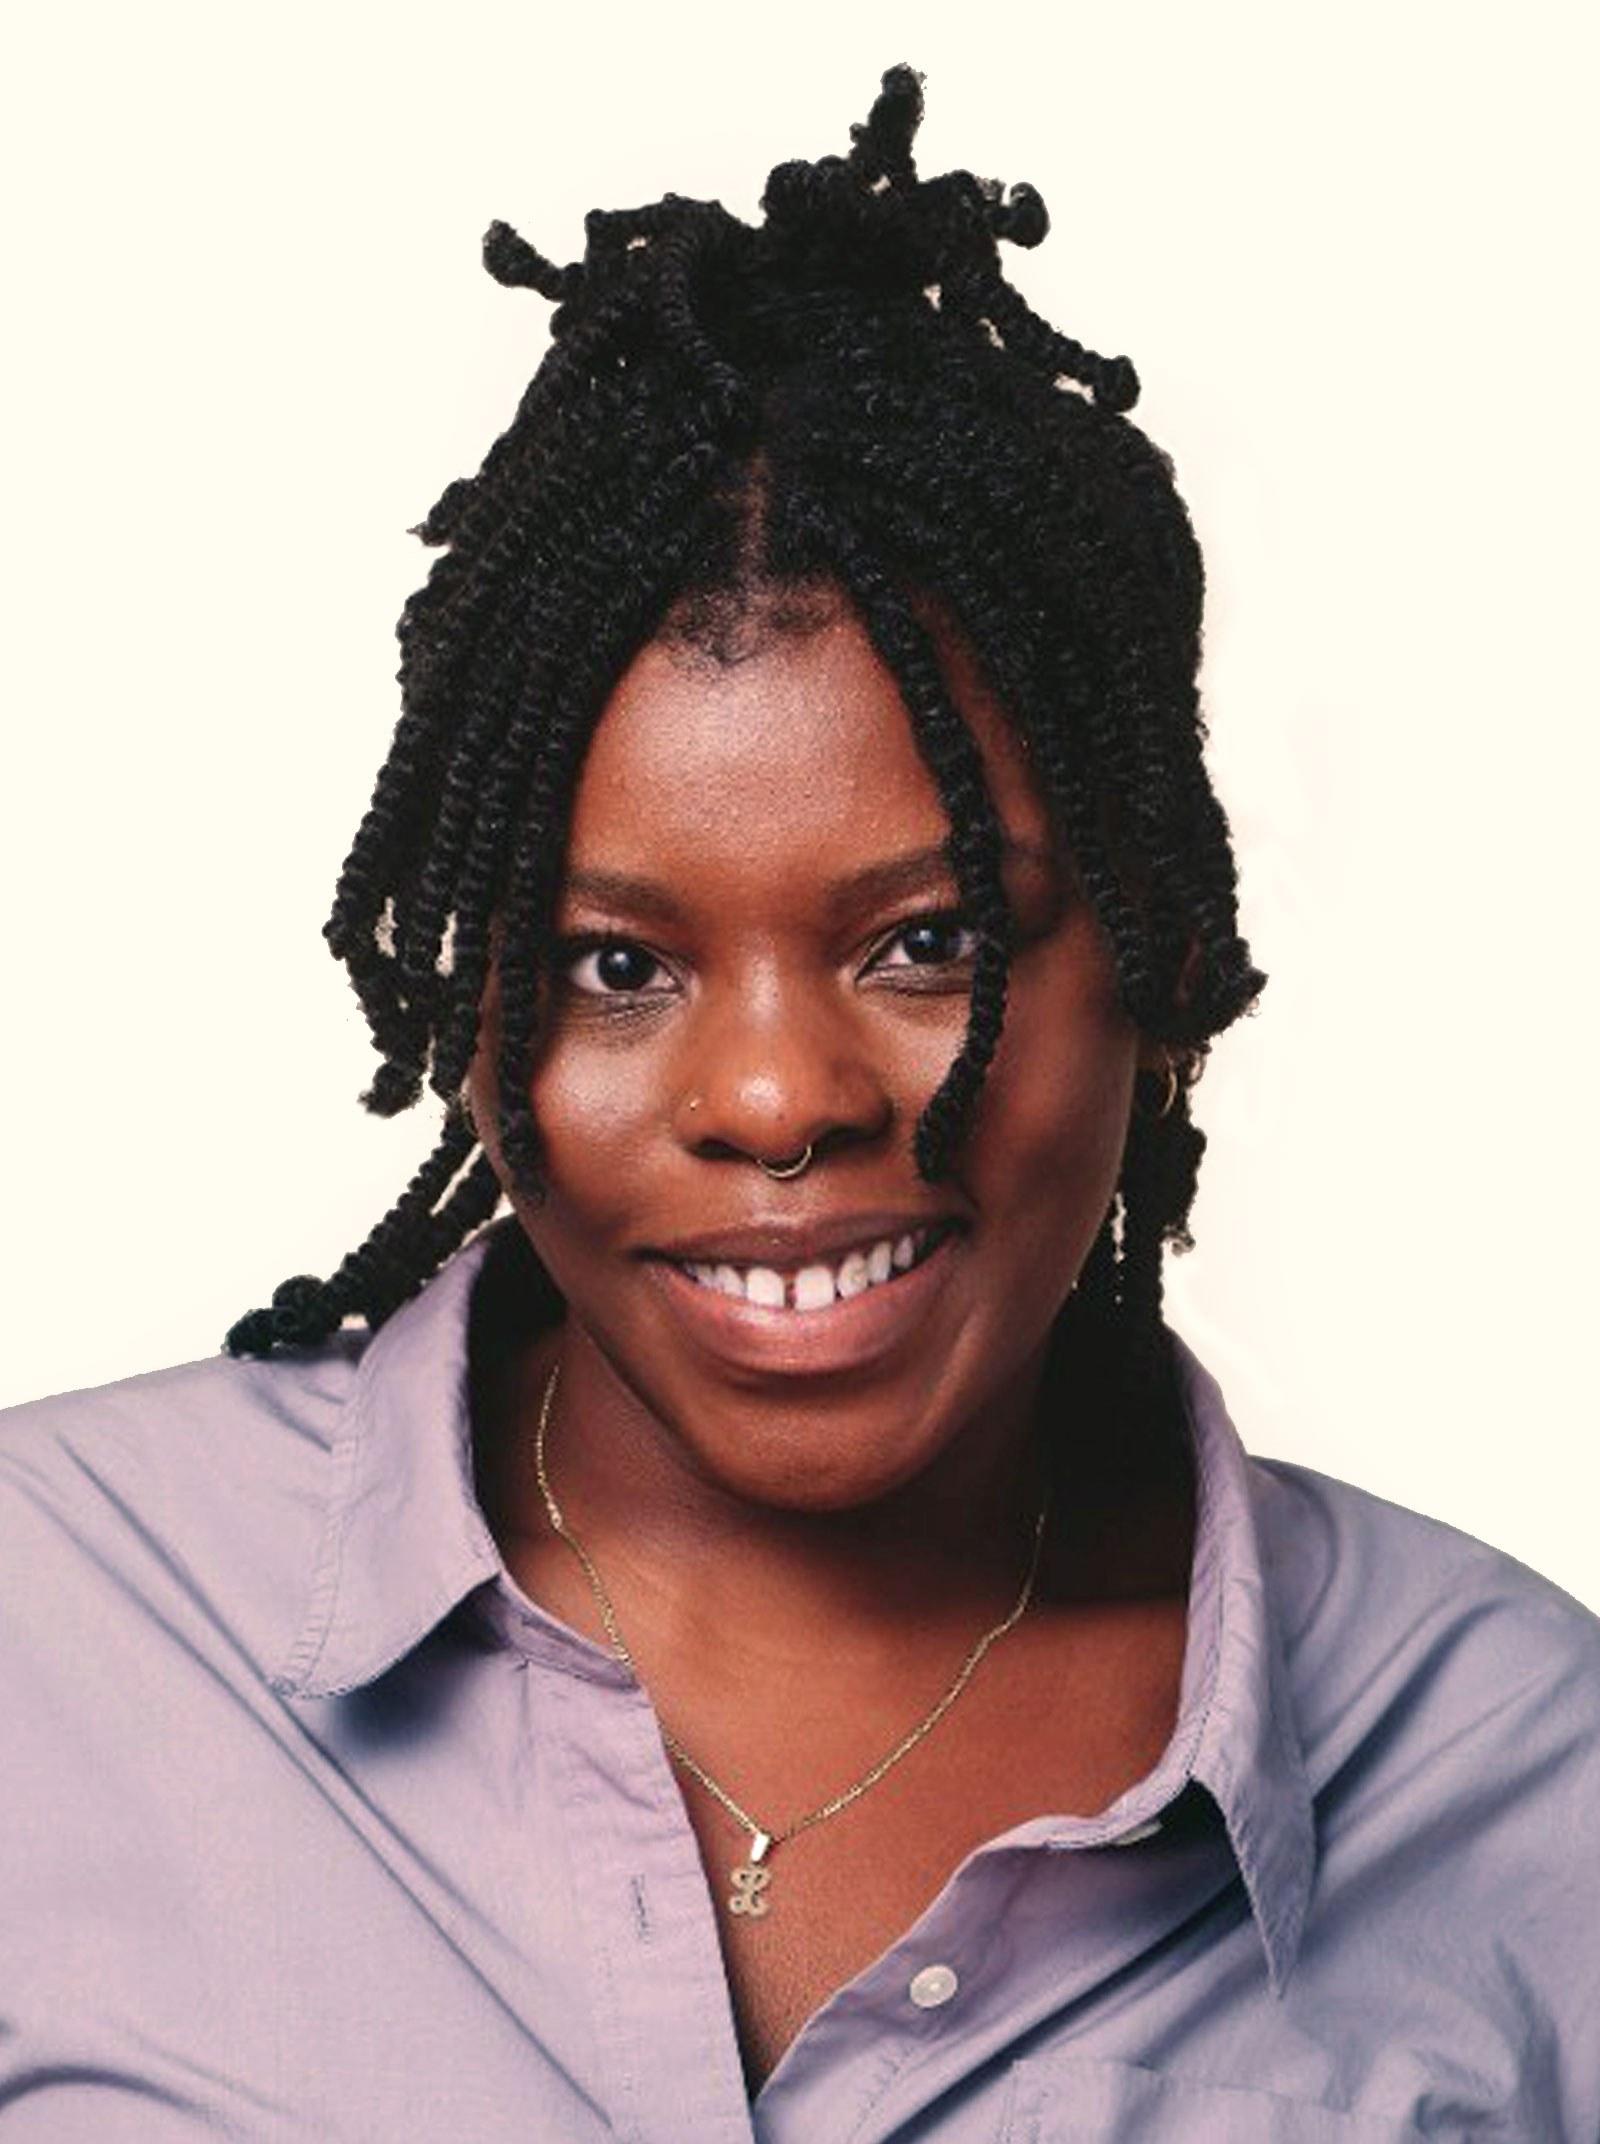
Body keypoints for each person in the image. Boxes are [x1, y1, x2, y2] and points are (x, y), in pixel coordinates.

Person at [2, 63, 1596, 2144]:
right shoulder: (57, 1627)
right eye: (616, 965)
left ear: (1160, 955)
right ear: (469, 997)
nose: (774, 1098)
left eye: (929, 940)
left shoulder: (1516, 1778)